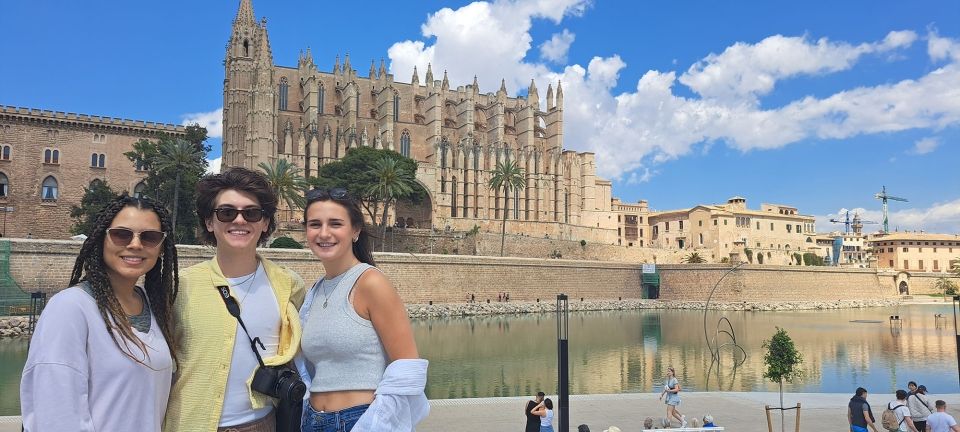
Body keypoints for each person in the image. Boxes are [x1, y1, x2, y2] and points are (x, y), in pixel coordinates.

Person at [164, 167, 306, 432]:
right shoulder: (180, 286)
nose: (240, 220)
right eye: (227, 212)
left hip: (263, 425)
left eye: (251, 213)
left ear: (264, 223)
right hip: (189, 424)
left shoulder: (289, 285)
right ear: (209, 222)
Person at [21, 195, 178, 431]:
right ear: (101, 239)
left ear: (161, 248)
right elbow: (56, 416)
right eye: (121, 234)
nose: (135, 244)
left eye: (150, 237)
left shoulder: (153, 305)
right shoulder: (70, 308)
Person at [296, 187, 428, 431]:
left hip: (357, 421)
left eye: (335, 223)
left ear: (355, 231)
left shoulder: (370, 283)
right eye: (315, 224)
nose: (324, 233)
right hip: (311, 421)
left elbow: (407, 367)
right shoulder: (315, 291)